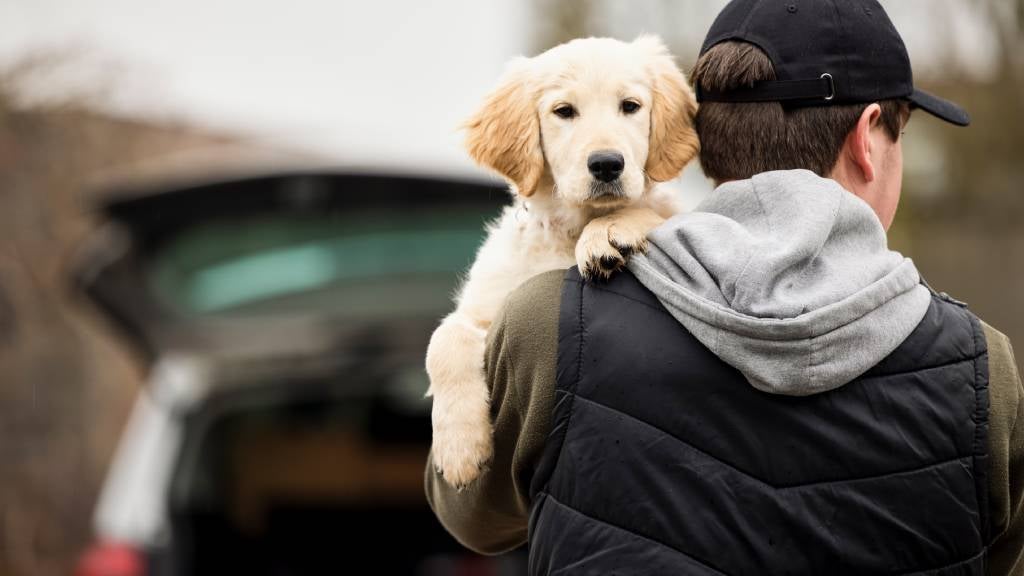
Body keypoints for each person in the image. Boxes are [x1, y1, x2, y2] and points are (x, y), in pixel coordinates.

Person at [425, 0, 1024, 573]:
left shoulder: (547, 322)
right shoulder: (982, 367)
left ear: (699, 138)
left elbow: (475, 517)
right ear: (869, 137)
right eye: (902, 136)